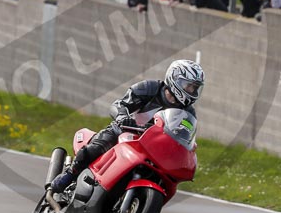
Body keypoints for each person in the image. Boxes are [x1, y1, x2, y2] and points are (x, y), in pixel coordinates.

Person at [49, 60, 205, 193]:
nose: (192, 91)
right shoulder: (150, 88)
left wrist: (189, 146)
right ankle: (70, 174)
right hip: (124, 131)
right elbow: (120, 104)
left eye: (195, 88)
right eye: (188, 86)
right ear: (174, 78)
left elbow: (185, 134)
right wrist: (123, 116)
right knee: (95, 148)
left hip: (153, 146)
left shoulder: (188, 112)